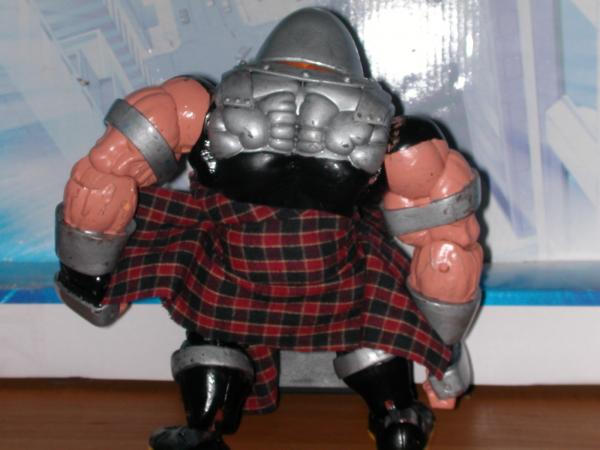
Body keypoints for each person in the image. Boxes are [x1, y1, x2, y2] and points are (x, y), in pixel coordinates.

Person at [54, 8, 482, 450]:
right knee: (371, 327)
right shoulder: (397, 139)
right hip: (335, 277)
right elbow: (448, 244)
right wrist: (445, 350)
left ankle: (205, 427)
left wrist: (87, 275)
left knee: (215, 327)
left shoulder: (193, 107)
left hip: (236, 273)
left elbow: (105, 174)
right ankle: (397, 418)